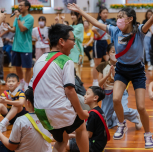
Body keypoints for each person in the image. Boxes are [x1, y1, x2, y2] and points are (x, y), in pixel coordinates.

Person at [67, 0, 153, 148]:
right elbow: (95, 22)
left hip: (137, 71)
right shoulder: (114, 31)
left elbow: (152, 18)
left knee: (141, 107)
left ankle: (148, 134)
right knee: (116, 99)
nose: (118, 19)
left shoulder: (140, 31)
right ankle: (121, 124)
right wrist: (81, 12)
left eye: (121, 16)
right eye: (117, 17)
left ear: (130, 19)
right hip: (122, 70)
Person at [29, 23, 89, 152]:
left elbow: (31, 89)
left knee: (62, 140)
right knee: (81, 127)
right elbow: (70, 90)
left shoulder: (39, 60)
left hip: (41, 111)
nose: (74, 43)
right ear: (61, 41)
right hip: (59, 110)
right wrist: (81, 113)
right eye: (73, 40)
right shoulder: (65, 60)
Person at [96, 43, 142, 129]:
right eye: (113, 52)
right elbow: (99, 83)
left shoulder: (122, 66)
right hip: (107, 94)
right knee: (105, 121)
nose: (115, 54)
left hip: (120, 92)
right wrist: (107, 75)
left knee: (123, 111)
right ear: (107, 53)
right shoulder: (102, 66)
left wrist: (115, 75)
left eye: (117, 52)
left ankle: (135, 115)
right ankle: (116, 119)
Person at [67, 86, 107, 152]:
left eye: (87, 94)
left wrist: (71, 135)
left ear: (95, 98)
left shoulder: (93, 114)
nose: (84, 96)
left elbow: (88, 135)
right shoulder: (99, 111)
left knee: (65, 144)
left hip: (94, 146)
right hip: (100, 143)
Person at [5, 0, 34, 91]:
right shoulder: (18, 17)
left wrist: (18, 18)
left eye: (21, 5)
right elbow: (14, 29)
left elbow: (22, 29)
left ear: (27, 7)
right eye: (19, 5)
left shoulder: (30, 18)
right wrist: (8, 28)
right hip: (16, 46)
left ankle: (26, 84)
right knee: (17, 66)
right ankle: (21, 82)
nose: (19, 7)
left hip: (26, 47)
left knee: (28, 67)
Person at [60, 12, 84, 79]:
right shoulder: (71, 26)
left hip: (76, 52)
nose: (72, 17)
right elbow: (65, 30)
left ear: (78, 15)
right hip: (70, 50)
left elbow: (70, 33)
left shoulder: (80, 26)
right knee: (70, 71)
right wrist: (63, 21)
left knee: (76, 72)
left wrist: (63, 22)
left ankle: (78, 88)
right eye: (71, 15)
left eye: (74, 15)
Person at [92, 7, 109, 86]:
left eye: (106, 13)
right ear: (100, 14)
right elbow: (93, 29)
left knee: (108, 61)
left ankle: (107, 78)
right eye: (104, 13)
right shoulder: (99, 21)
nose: (105, 14)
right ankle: (95, 81)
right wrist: (98, 35)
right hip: (98, 43)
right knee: (97, 64)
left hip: (104, 43)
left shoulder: (105, 22)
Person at [0, 14, 6, 85]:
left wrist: (1, 34)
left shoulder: (2, 24)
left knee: (0, 63)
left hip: (0, 45)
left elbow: (8, 29)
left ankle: (1, 78)